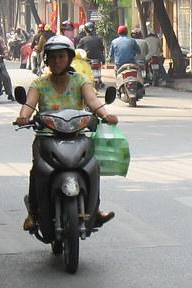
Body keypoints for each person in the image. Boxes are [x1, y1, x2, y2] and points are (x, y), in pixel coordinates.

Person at [15, 35, 118, 231]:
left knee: (92, 167)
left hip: (77, 136)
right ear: (46, 59)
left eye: (61, 56)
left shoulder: (80, 80)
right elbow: (28, 105)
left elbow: (93, 101)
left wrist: (105, 114)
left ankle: (94, 209)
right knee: (37, 170)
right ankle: (33, 213)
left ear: (69, 58)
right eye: (52, 57)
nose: (57, 61)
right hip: (47, 137)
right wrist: (24, 116)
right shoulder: (39, 83)